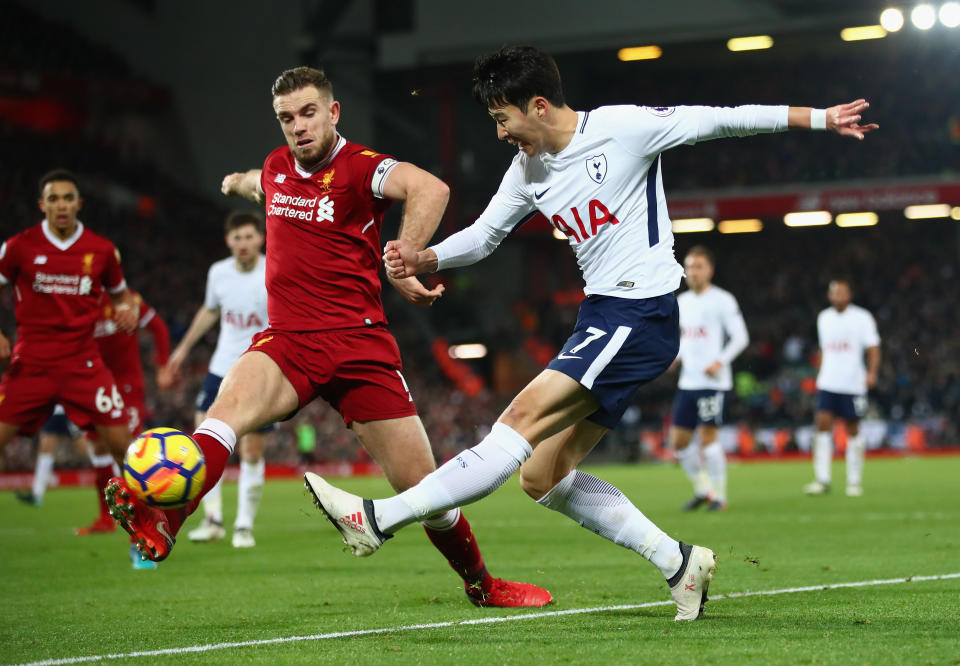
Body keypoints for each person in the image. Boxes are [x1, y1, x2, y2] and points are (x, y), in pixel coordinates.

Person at [306, 45, 878, 622]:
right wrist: (425, 258)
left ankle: (378, 520)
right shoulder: (527, 169)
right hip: (604, 317)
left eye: (503, 119)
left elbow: (718, 118)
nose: (501, 133)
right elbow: (483, 237)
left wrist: (819, 117)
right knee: (541, 474)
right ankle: (678, 562)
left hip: (639, 312)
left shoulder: (623, 128)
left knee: (516, 424)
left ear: (536, 105)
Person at [106, 66, 552, 608]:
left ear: (333, 112)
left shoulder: (361, 169)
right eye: (287, 118)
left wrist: (404, 256)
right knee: (221, 421)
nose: (298, 126)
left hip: (359, 346)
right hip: (287, 341)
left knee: (427, 492)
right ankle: (167, 517)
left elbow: (429, 187)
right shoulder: (275, 167)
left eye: (309, 113)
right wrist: (236, 183)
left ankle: (483, 585)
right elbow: (258, 182)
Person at [0, 169, 138, 471]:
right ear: (42, 205)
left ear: (79, 203)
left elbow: (121, 296)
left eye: (67, 198)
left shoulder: (102, 250)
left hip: (83, 364)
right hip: (31, 363)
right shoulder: (18, 247)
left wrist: (127, 309)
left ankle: (147, 518)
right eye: (53, 199)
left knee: (125, 450)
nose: (61, 205)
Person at [158, 211, 270, 549]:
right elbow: (210, 311)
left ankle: (244, 526)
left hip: (261, 368)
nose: (244, 244)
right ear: (228, 241)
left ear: (260, 238)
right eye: (237, 238)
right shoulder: (218, 273)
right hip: (221, 368)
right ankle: (213, 520)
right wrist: (181, 351)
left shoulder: (274, 269)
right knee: (200, 444)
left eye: (249, 236)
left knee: (250, 450)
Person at [669, 246, 748, 511]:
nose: (693, 272)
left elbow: (740, 337)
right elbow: (683, 339)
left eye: (699, 266)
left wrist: (720, 361)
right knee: (679, 442)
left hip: (713, 383)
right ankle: (703, 490)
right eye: (689, 267)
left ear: (710, 271)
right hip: (688, 382)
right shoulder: (682, 302)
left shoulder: (723, 300)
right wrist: (674, 357)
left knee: (708, 439)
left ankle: (720, 497)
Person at [804, 278, 880, 497]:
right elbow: (824, 350)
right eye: (834, 293)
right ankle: (822, 479)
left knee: (853, 430)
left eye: (842, 292)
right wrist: (819, 373)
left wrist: (872, 372)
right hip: (828, 382)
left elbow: (874, 347)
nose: (838, 296)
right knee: (821, 426)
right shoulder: (823, 318)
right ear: (829, 295)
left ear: (850, 295)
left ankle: (854, 481)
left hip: (853, 383)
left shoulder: (862, 317)